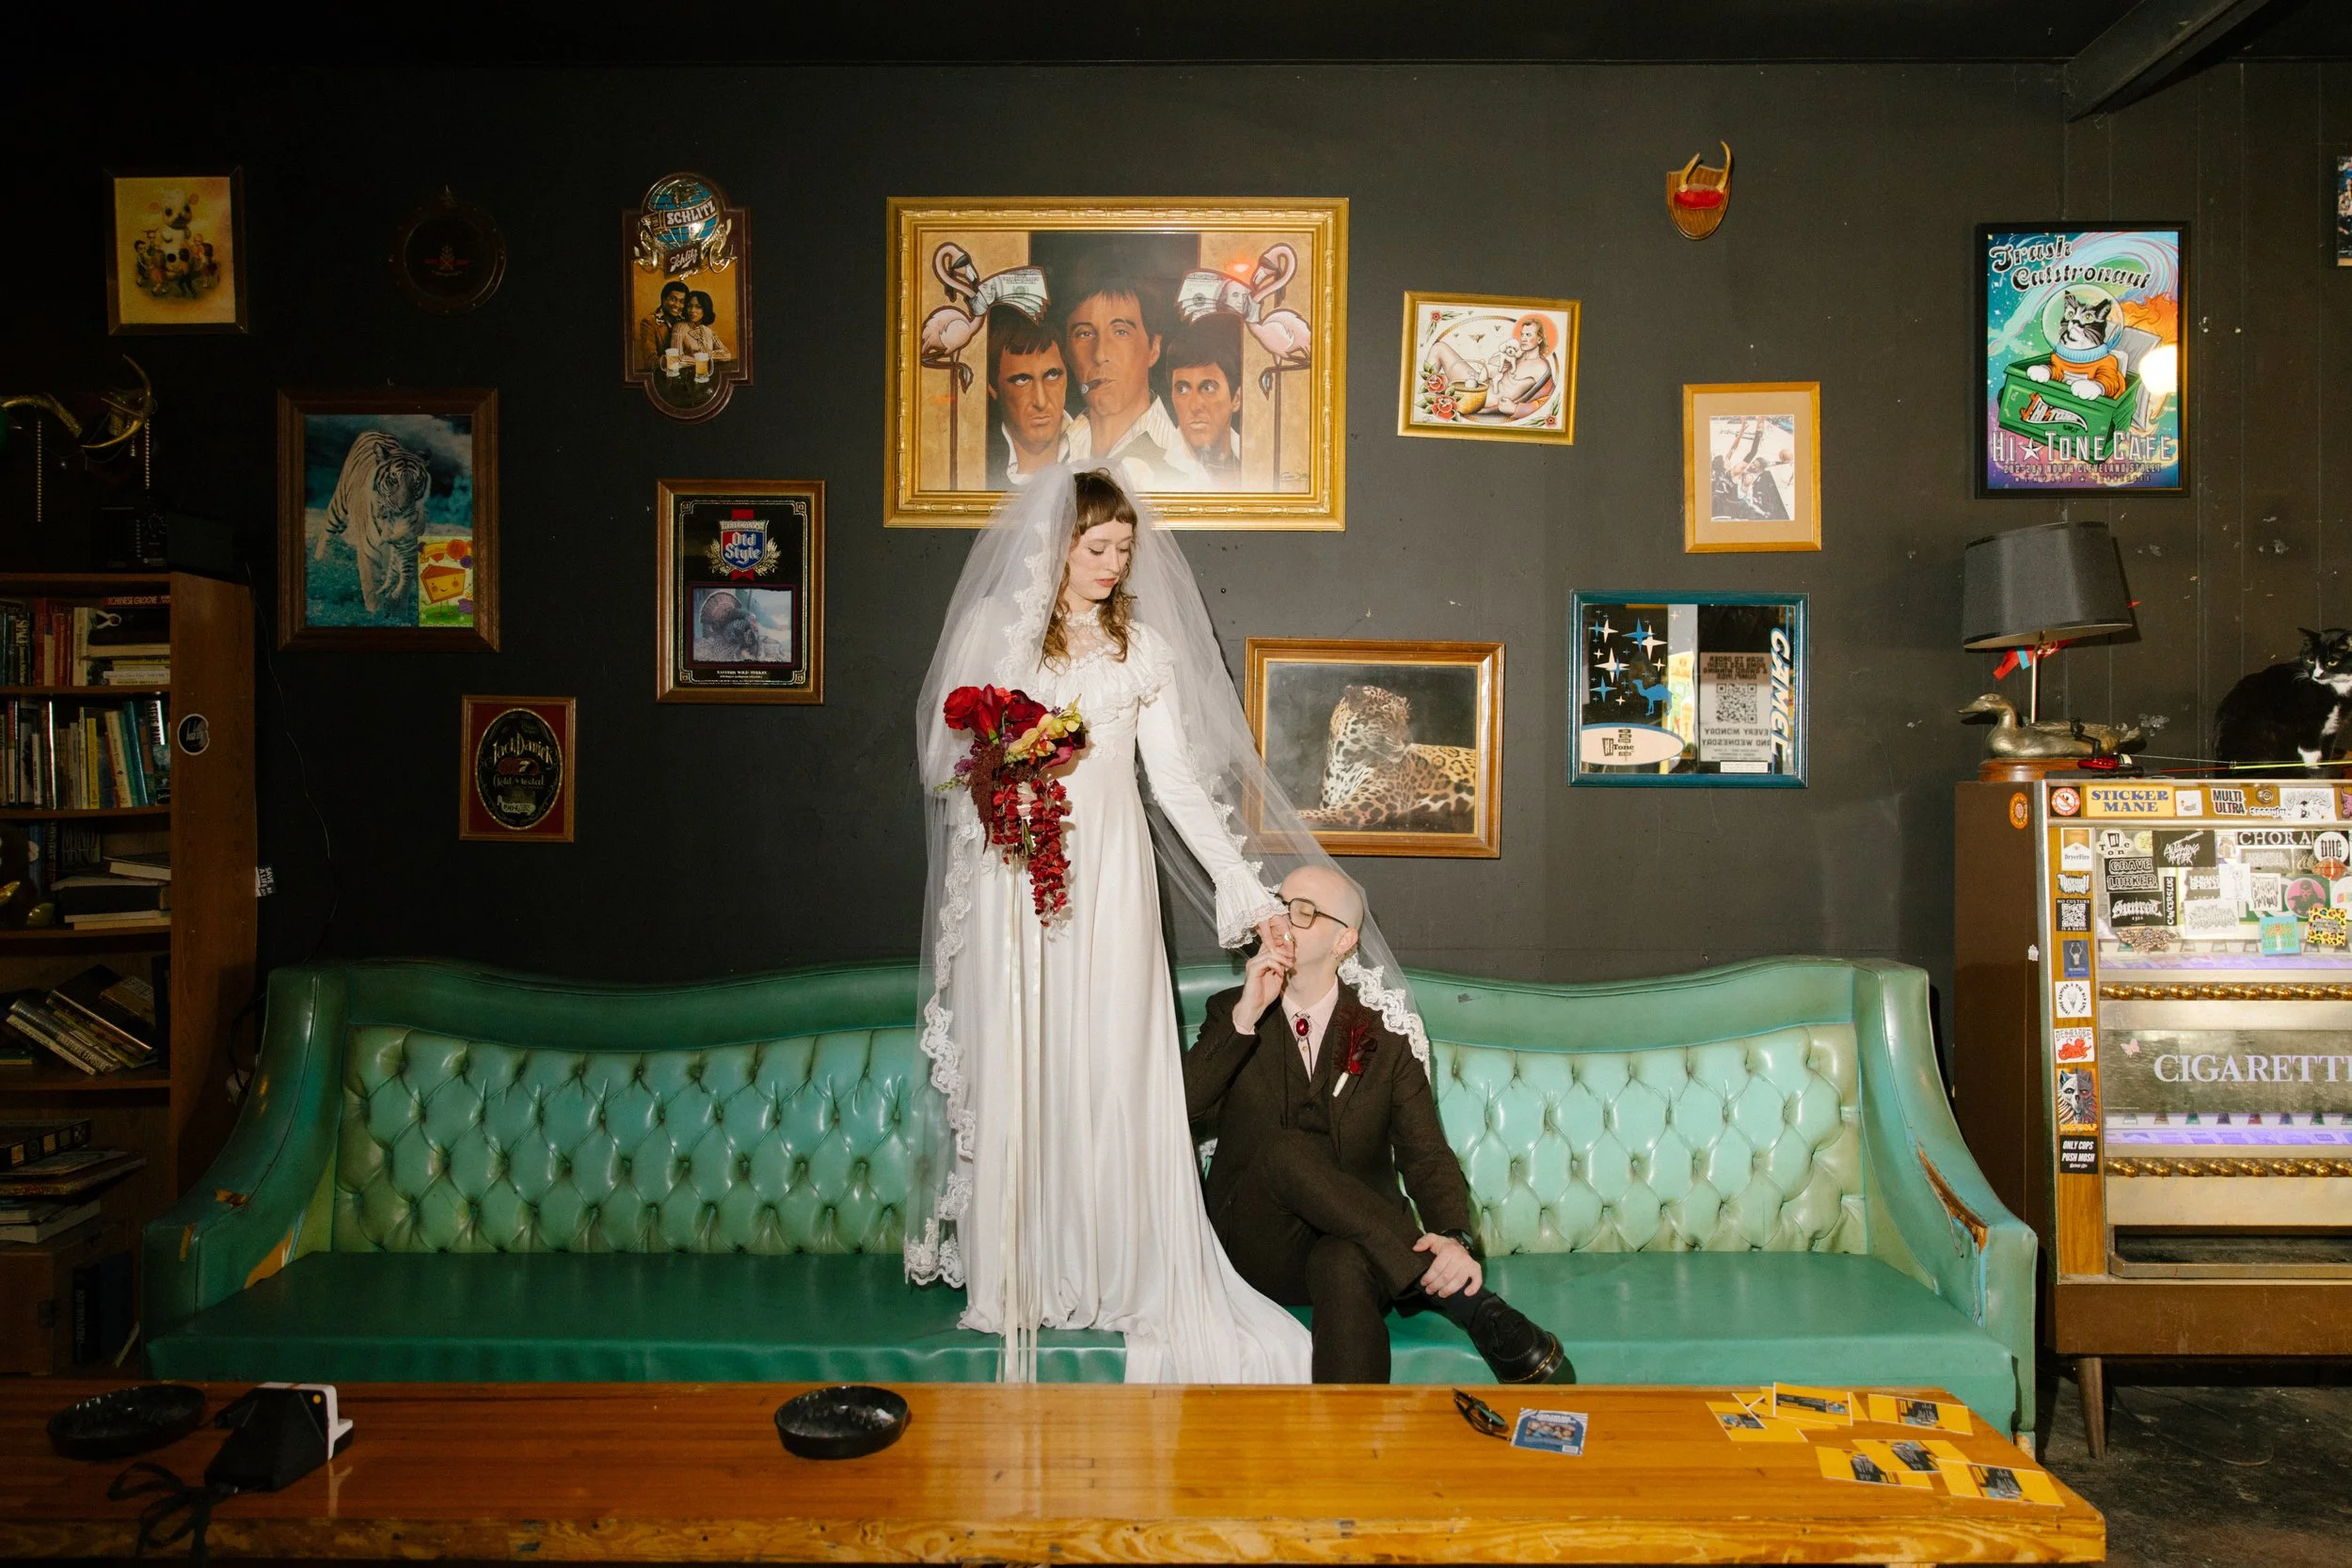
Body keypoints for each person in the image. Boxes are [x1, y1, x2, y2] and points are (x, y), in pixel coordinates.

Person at [908, 466, 1431, 1383]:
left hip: (1110, 878)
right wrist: (1020, 755)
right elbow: (944, 761)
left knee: (1113, 1058)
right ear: (1056, 544)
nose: (1112, 565)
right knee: (1027, 1061)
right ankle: (1024, 1273)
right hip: (1016, 881)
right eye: (1096, 547)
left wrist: (1245, 886)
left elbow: (1180, 784)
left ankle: (1114, 1272)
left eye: (1122, 550)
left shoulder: (1137, 649)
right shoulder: (998, 634)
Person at [1184, 865, 1570, 1385]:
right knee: (1283, 1150)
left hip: (1353, 1249)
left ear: (1344, 940)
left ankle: (1352, 1459)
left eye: (1302, 912)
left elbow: (1425, 1153)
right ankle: (1467, 1303)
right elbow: (1180, 1109)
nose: (1282, 923)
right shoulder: (1231, 1011)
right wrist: (1246, 1017)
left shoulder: (1384, 1036)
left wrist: (1452, 1237)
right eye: (1280, 906)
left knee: (1343, 1264)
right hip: (1254, 1244)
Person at [1059, 270, 1206, 491]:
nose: (1100, 355)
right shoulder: (1053, 447)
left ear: (1154, 348)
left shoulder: (1185, 463)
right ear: (1067, 353)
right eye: (1084, 334)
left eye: (1120, 332)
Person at [984, 305, 1075, 488]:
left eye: (1052, 375)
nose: (1041, 402)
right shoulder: (978, 464)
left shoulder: (1095, 446)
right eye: (1022, 380)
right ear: (993, 388)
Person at [1164, 319, 1243, 483]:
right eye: (1182, 389)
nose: (1194, 406)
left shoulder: (1260, 463)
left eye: (1208, 388)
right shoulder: (1147, 469)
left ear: (1236, 398)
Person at [672, 291, 732, 384]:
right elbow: (676, 359)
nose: (692, 310)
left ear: (706, 309)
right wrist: (702, 360)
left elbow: (727, 354)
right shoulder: (679, 327)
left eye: (698, 307)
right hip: (686, 380)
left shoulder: (708, 331)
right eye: (689, 306)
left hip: (709, 377)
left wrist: (706, 355)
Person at [638, 280, 689, 373]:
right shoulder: (649, 322)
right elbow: (651, 363)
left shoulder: (685, 321)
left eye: (682, 301)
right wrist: (677, 360)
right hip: (661, 378)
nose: (677, 305)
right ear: (663, 299)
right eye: (673, 299)